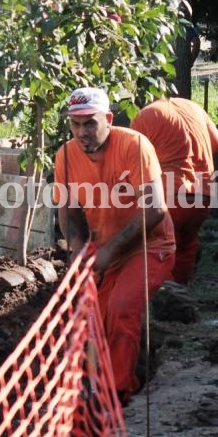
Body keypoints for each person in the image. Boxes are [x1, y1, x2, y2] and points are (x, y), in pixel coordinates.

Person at [53, 87, 176, 403]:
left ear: (108, 119)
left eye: (90, 123)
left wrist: (108, 252)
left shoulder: (135, 146)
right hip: (106, 250)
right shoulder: (65, 156)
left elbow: (155, 209)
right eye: (76, 124)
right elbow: (67, 212)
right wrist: (77, 248)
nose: (82, 132)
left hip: (151, 246)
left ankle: (119, 392)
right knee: (95, 317)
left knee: (122, 308)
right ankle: (93, 387)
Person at [130, 97, 218, 285]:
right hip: (203, 193)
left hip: (169, 195)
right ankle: (180, 293)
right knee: (187, 245)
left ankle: (166, 295)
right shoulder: (193, 107)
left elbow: (132, 159)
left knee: (161, 247)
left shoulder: (143, 117)